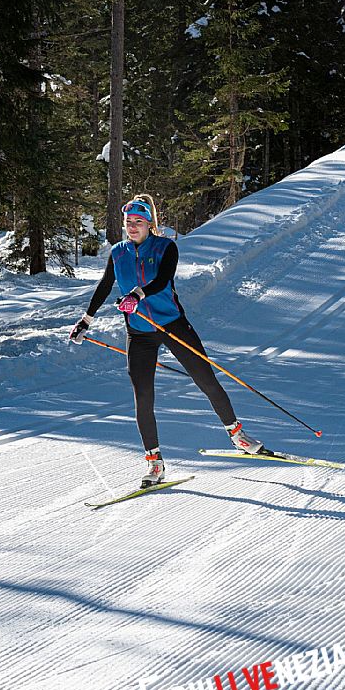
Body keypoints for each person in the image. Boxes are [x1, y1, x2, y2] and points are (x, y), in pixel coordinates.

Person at [69, 194, 263, 487]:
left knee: (206, 379)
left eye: (138, 222)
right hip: (139, 333)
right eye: (128, 222)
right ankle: (154, 463)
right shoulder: (118, 252)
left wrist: (137, 294)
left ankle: (238, 436)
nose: (132, 227)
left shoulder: (165, 247)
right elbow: (105, 285)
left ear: (149, 224)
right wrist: (86, 320)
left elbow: (162, 280)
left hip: (172, 325)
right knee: (143, 398)